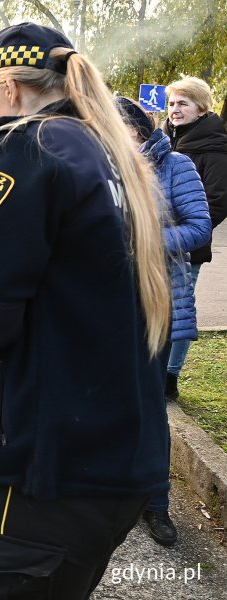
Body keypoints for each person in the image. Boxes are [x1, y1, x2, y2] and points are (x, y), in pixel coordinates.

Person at [0, 22, 171, 599]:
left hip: (39, 472)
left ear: (8, 87)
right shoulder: (104, 149)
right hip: (109, 458)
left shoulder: (27, 146)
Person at [118, 97, 211, 548]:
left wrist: (145, 240)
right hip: (107, 304)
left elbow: (200, 228)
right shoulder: (105, 167)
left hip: (156, 301)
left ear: (136, 130)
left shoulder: (177, 166)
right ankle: (115, 492)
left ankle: (156, 504)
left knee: (151, 408)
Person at [162, 77, 227, 400]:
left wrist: (186, 231)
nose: (175, 109)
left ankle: (170, 376)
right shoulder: (165, 140)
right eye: (172, 103)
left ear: (201, 109)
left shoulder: (214, 148)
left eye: (183, 103)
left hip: (188, 246)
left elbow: (217, 201)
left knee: (181, 309)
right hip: (156, 243)